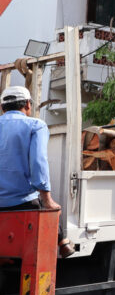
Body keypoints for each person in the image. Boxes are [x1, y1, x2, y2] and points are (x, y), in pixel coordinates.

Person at [0, 86, 73, 258]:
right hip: (22, 204)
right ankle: (63, 244)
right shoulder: (35, 125)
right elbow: (38, 162)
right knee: (49, 207)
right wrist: (47, 199)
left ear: (2, 107)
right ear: (27, 104)